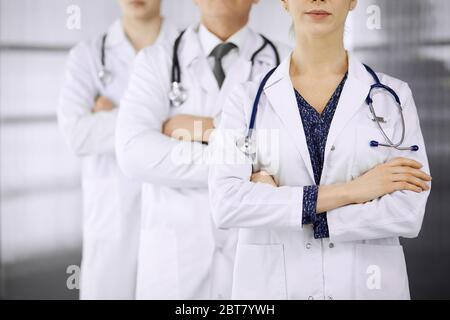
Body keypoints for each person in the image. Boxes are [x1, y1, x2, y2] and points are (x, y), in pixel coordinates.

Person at [208, 0, 432, 300]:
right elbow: (226, 202)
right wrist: (357, 191)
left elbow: (407, 211)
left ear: (353, 1)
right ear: (285, 1)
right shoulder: (245, 100)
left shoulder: (392, 97)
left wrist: (288, 206)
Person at [116, 0, 289, 299]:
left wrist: (203, 127)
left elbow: (295, 153)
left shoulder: (287, 64)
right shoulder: (155, 61)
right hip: (174, 269)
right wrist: (248, 161)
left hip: (253, 261)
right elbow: (134, 153)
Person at [58, 0, 179, 299]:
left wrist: (110, 115)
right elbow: (78, 135)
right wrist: (162, 121)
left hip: (177, 216)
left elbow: (204, 130)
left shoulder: (188, 50)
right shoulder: (86, 56)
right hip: (111, 219)